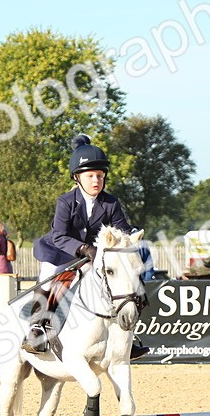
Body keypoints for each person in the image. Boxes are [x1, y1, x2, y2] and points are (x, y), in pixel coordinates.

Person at [25, 134, 144, 357]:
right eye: (90, 176)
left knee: (116, 282)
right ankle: (37, 326)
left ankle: (127, 337)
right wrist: (83, 249)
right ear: (77, 178)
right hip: (60, 251)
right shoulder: (66, 202)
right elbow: (59, 236)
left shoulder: (111, 202)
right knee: (49, 275)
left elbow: (121, 228)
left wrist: (132, 236)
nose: (96, 180)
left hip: (93, 255)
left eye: (100, 175)